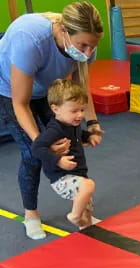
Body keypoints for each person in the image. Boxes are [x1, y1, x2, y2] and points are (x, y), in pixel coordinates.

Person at [0, 1, 104, 239]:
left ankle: (83, 216)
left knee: (71, 140)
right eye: (83, 46)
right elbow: (20, 102)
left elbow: (80, 89)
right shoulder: (30, 39)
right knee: (31, 154)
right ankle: (31, 214)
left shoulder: (86, 43)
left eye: (92, 46)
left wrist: (93, 124)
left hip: (47, 90)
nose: (87, 53)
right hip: (9, 90)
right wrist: (43, 144)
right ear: (65, 31)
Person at [32, 79, 101, 229]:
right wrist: (58, 160)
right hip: (61, 178)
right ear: (56, 109)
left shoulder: (71, 123)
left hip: (78, 172)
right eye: (74, 111)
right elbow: (36, 148)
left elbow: (78, 133)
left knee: (86, 204)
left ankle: (85, 225)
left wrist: (89, 136)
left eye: (82, 110)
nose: (80, 115)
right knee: (88, 187)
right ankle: (74, 216)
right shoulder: (54, 130)